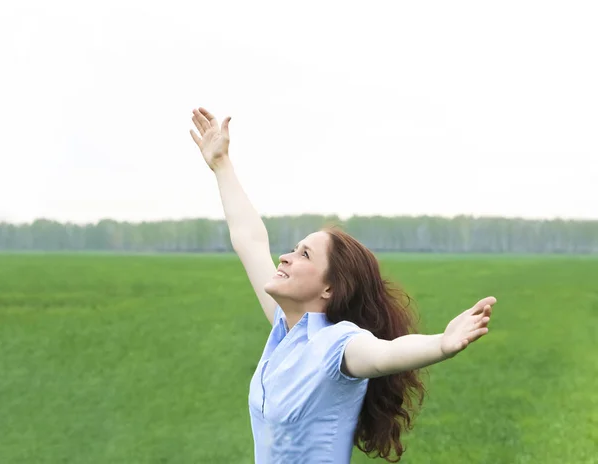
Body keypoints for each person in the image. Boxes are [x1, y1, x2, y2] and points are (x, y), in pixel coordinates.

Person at [190, 107, 497, 463]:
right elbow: (250, 241)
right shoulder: (284, 330)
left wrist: (441, 345)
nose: (286, 258)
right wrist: (221, 164)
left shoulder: (338, 344)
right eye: (292, 249)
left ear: (329, 289)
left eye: (304, 254)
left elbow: (385, 355)